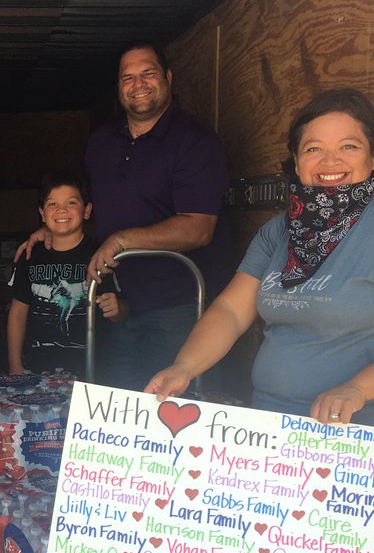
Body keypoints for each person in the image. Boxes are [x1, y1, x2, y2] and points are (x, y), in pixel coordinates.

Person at [146, 88, 374, 553]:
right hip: (280, 433)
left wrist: (358, 388)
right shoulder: (281, 232)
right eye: (313, 148)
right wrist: (184, 367)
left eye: (349, 146)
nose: (329, 160)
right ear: (296, 161)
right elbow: (233, 311)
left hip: (370, 437)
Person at [16, 41, 230, 390]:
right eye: (127, 77)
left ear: (169, 78)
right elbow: (88, 209)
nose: (138, 84)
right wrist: (52, 229)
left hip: (175, 307)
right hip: (113, 306)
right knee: (119, 415)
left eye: (148, 73)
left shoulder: (195, 142)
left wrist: (121, 241)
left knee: (173, 410)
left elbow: (198, 228)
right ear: (118, 87)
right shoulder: (102, 142)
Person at [6, 173, 128, 379]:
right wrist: (15, 364)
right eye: (52, 204)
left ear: (87, 210)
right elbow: (18, 312)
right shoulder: (30, 255)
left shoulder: (100, 255)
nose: (62, 210)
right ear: (42, 214)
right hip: (38, 371)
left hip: (91, 372)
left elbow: (122, 312)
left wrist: (117, 309)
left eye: (71, 202)